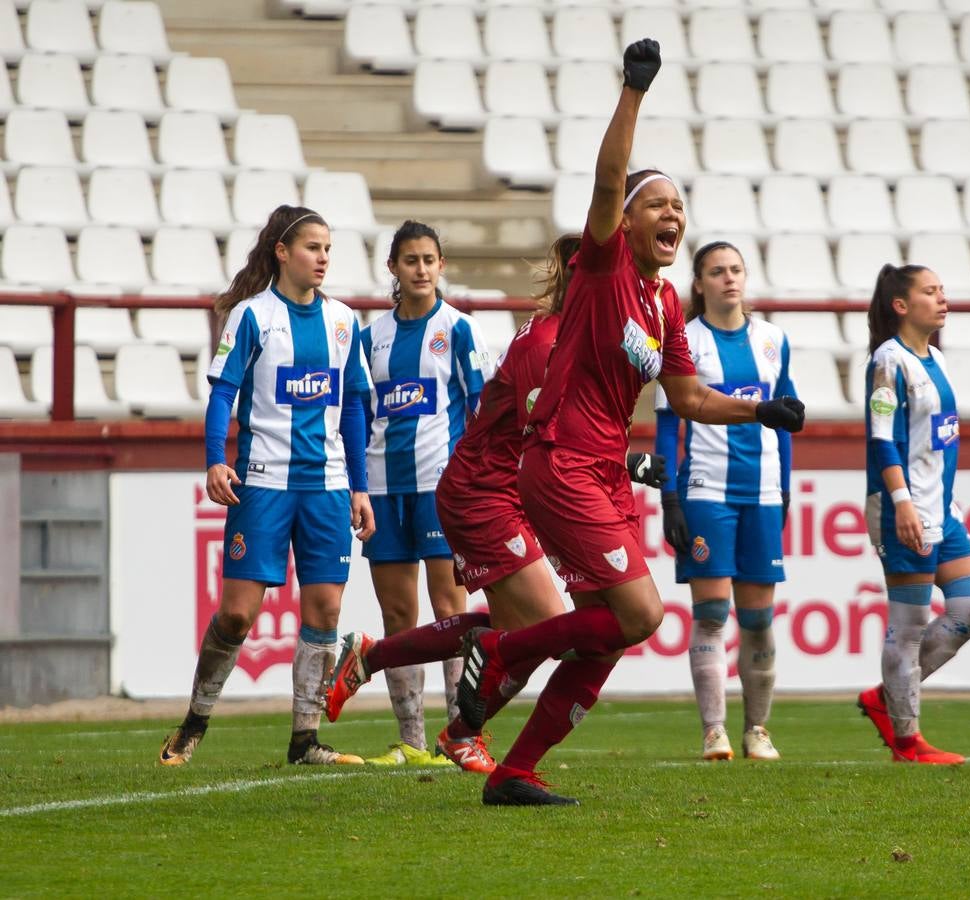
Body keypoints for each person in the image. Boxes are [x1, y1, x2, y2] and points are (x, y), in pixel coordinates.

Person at [454, 39, 806, 806]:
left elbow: (689, 399)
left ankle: (513, 772)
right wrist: (633, 92)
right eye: (658, 204)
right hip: (562, 464)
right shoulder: (605, 266)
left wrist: (761, 411)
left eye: (679, 206)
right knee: (641, 613)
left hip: (604, 473)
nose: (673, 214)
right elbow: (609, 178)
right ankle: (501, 648)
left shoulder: (665, 302)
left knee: (607, 635)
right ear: (625, 220)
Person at [323, 234, 668, 774]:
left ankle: (382, 664)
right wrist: (628, 462)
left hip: (516, 489)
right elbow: (548, 431)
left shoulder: (578, 339)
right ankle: (457, 727)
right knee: (543, 630)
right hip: (484, 490)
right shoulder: (545, 344)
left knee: (525, 632)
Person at [159, 205, 375, 767]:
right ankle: (195, 720)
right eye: (312, 247)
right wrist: (215, 460)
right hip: (262, 484)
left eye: (327, 249)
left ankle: (305, 740)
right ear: (282, 252)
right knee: (237, 614)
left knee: (325, 610)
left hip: (326, 487)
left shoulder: (343, 320)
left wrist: (359, 486)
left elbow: (353, 405)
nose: (322, 258)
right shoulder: (252, 316)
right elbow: (222, 392)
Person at [355, 220, 493, 766]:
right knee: (397, 614)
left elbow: (482, 410)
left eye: (429, 260)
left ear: (441, 266)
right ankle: (412, 741)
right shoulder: (369, 338)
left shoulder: (459, 330)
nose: (420, 269)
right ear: (393, 267)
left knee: (449, 610)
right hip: (384, 490)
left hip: (441, 489)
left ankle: (459, 734)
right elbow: (357, 416)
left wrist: (478, 480)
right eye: (410, 260)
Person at [655, 240, 799, 763]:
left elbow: (785, 421)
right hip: (705, 490)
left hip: (761, 492)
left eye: (736, 269)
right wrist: (670, 498)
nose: (729, 279)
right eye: (717, 271)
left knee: (758, 619)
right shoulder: (683, 342)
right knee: (713, 612)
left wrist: (785, 487)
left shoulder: (773, 340)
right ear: (699, 283)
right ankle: (714, 731)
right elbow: (667, 427)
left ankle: (757, 729)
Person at [857, 264, 970, 765]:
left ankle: (886, 697)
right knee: (908, 625)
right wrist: (902, 502)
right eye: (930, 292)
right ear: (901, 305)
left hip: (942, 508)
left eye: (942, 290)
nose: (942, 299)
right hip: (905, 507)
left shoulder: (936, 358)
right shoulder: (888, 362)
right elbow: (882, 440)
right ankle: (908, 742)